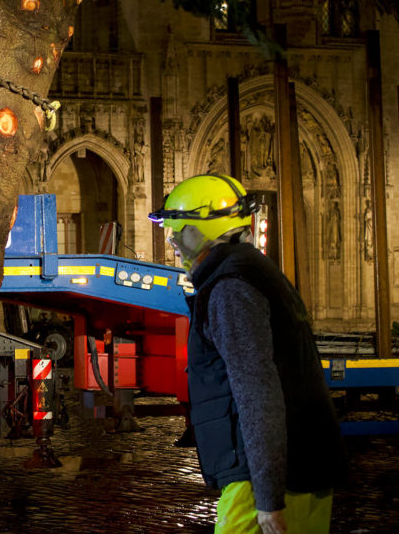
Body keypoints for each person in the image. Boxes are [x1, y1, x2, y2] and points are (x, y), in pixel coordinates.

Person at [149, 174, 347, 534]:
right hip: (303, 470)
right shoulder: (255, 273)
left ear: (203, 229)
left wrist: (269, 499)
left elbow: (257, 393)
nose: (172, 241)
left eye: (178, 229)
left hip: (267, 481)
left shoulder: (230, 289)